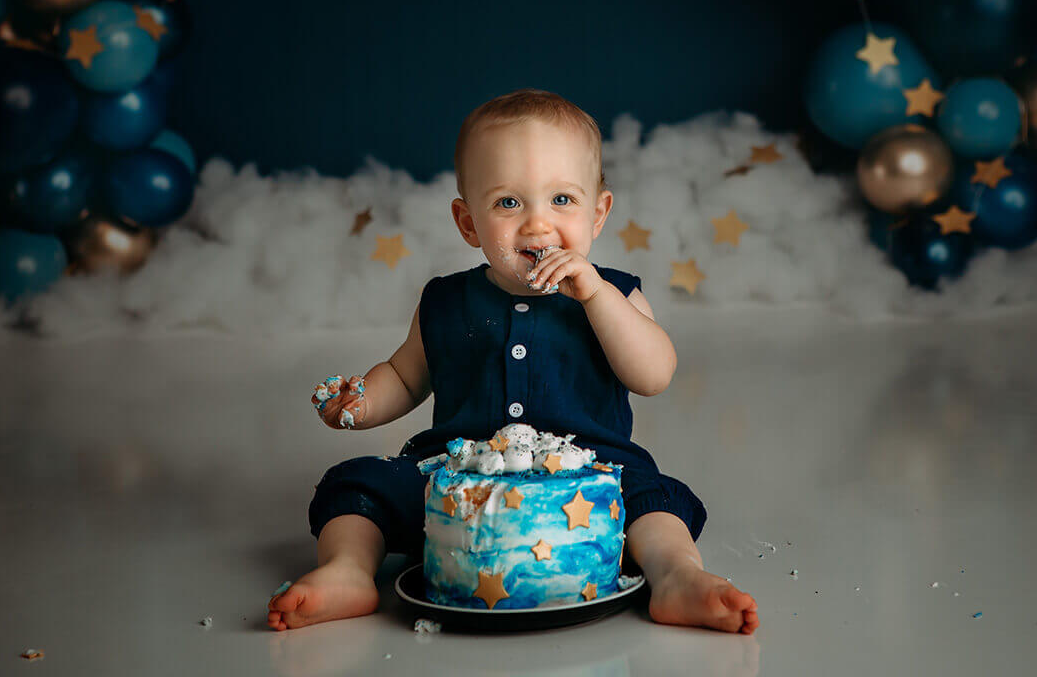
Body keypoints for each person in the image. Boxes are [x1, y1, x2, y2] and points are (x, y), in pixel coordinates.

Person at [268, 89, 758, 635]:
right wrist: (362, 401)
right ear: (468, 223)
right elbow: (407, 376)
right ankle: (348, 571)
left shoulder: (613, 294)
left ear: (598, 214)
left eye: (562, 201)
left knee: (655, 502)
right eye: (508, 203)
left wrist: (596, 297)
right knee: (356, 485)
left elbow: (655, 373)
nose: (537, 225)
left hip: (591, 476)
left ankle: (676, 578)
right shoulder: (446, 301)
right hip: (455, 478)